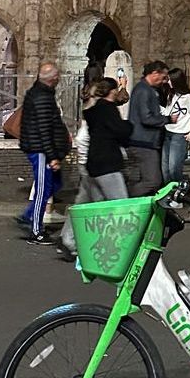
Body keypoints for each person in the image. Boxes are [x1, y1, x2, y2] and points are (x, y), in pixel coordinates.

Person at [59, 77, 129, 258]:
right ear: (112, 92)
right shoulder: (108, 110)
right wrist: (129, 125)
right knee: (120, 204)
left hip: (92, 163)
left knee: (84, 204)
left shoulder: (94, 110)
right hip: (107, 164)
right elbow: (121, 131)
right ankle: (119, 245)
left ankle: (67, 239)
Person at [18, 61, 71, 246]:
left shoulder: (40, 93)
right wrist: (52, 156)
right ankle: (36, 231)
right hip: (40, 150)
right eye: (58, 76)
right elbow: (44, 130)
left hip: (42, 148)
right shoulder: (42, 97)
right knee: (43, 189)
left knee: (54, 184)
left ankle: (28, 216)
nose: (59, 79)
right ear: (53, 79)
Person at [126, 60, 179, 197]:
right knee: (152, 181)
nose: (164, 81)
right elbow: (146, 118)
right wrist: (167, 119)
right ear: (155, 73)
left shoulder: (144, 89)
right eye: (163, 77)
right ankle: (124, 198)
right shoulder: (144, 90)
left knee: (147, 179)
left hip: (144, 142)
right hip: (144, 143)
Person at [161, 67, 190, 183]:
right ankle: (169, 194)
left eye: (169, 79)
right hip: (168, 133)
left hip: (179, 136)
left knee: (174, 168)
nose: (168, 82)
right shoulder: (172, 95)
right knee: (165, 169)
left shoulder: (188, 98)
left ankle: (179, 193)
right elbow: (168, 112)